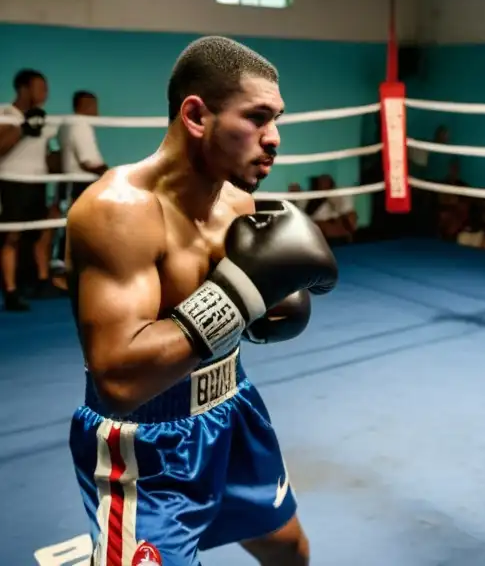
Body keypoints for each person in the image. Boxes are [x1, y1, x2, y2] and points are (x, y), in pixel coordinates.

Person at [65, 36, 339, 566]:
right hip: (146, 446)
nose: (274, 138)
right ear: (196, 115)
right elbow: (119, 381)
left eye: (276, 119)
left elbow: (242, 317)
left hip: (232, 408)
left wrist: (267, 306)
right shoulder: (119, 211)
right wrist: (240, 297)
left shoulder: (238, 201)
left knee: (289, 549)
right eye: (257, 118)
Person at [0, 68, 60, 311]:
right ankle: (11, 291)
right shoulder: (5, 114)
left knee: (39, 232)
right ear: (24, 88)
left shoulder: (43, 118)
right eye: (40, 87)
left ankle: (40, 282)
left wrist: (63, 152)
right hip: (12, 182)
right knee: (11, 236)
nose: (45, 93)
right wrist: (23, 127)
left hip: (38, 183)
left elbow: (48, 157)